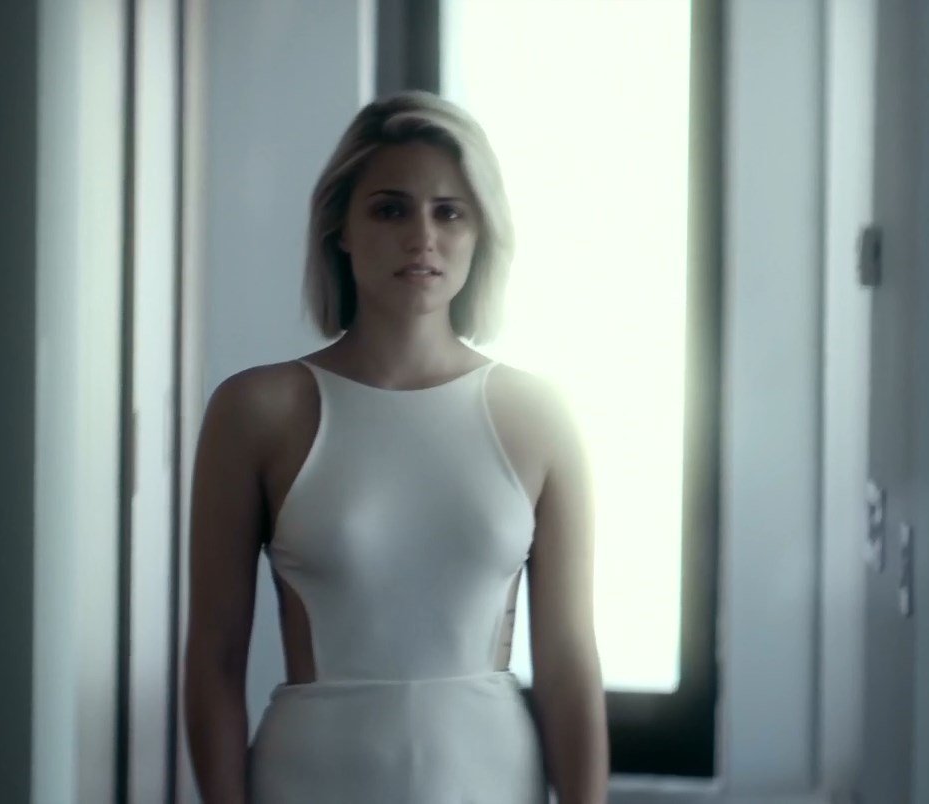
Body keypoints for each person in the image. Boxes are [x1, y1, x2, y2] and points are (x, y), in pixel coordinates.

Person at [181, 90, 609, 803]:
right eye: (390, 209)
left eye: (450, 212)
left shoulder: (540, 416)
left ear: (481, 231)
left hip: (491, 779)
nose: (423, 237)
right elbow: (215, 659)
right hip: (310, 782)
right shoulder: (257, 411)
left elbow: (568, 664)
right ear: (341, 228)